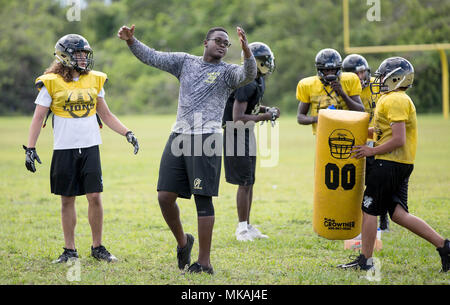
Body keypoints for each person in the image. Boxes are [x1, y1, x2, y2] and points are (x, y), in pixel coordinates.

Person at [118, 24, 256, 274]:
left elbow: (249, 75)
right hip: (179, 135)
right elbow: (152, 57)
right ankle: (184, 242)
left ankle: (204, 263)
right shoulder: (185, 62)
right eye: (218, 41)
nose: (223, 45)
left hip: (207, 139)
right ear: (205, 42)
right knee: (164, 196)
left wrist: (247, 52)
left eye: (227, 43)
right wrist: (131, 41)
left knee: (203, 201)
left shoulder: (227, 73)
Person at [24, 34, 140, 264]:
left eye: (85, 55)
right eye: (78, 54)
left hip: (90, 147)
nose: (83, 59)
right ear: (64, 56)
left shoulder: (94, 80)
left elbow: (105, 114)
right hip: (64, 148)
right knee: (67, 199)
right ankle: (69, 250)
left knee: (95, 196)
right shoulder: (51, 81)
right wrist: (30, 147)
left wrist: (128, 132)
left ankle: (97, 247)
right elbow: (38, 118)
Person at [338, 57, 449, 272]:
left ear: (396, 78)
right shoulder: (392, 98)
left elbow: (399, 139)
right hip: (398, 163)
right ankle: (445, 246)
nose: (378, 79)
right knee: (398, 214)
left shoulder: (395, 100)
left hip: (389, 163)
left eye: (382, 76)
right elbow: (382, 132)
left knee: (369, 209)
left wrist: (371, 150)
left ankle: (365, 261)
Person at [222, 42, 279, 241]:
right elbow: (238, 117)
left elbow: (251, 106)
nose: (268, 63)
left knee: (250, 180)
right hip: (235, 132)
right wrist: (264, 117)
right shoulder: (246, 82)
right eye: (263, 60)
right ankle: (241, 228)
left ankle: (247, 224)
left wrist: (266, 110)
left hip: (246, 132)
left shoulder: (258, 79)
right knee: (244, 182)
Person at [342, 54, 389, 232]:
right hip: (355, 138)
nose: (360, 78)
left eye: (362, 73)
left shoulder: (378, 85)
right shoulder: (347, 89)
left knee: (376, 179)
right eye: (356, 75)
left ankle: (383, 219)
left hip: (376, 138)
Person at [296, 48, 364, 134]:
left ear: (338, 69)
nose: (330, 74)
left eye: (333, 70)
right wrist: (318, 118)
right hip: (323, 134)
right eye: (326, 70)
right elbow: (300, 117)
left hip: (348, 132)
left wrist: (343, 94)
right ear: (320, 70)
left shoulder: (350, 80)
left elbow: (361, 111)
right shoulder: (307, 85)